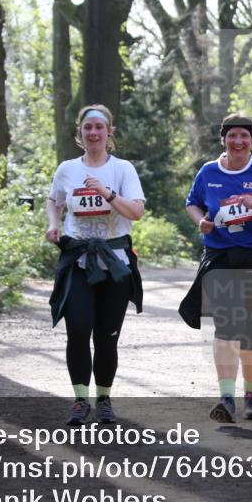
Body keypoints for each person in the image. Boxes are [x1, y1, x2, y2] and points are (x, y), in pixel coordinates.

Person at [180, 113, 252, 423]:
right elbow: (192, 203)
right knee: (226, 326)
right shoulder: (208, 172)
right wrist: (201, 222)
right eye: (232, 135)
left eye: (244, 136)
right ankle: (225, 398)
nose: (238, 141)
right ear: (223, 139)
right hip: (221, 259)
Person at [46, 104, 146, 425]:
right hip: (78, 261)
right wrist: (53, 224)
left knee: (106, 336)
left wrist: (107, 193)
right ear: (80, 132)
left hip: (115, 265)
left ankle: (103, 399)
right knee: (77, 329)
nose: (93, 132)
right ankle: (80, 400)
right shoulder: (67, 169)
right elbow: (54, 200)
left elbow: (136, 212)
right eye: (87, 127)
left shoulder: (123, 169)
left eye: (99, 127)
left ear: (109, 132)